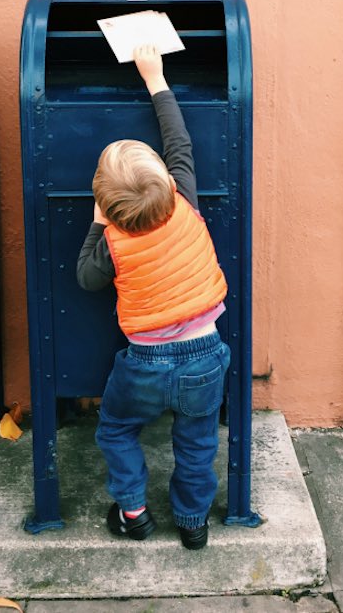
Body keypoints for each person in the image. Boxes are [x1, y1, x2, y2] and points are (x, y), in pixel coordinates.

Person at [77, 42, 230, 550]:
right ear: (167, 179)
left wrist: (98, 225)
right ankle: (192, 522)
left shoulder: (112, 242)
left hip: (144, 363)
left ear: (106, 204)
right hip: (205, 355)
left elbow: (86, 278)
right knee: (197, 442)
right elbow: (179, 140)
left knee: (116, 430)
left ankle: (134, 512)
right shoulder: (184, 198)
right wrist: (155, 79)